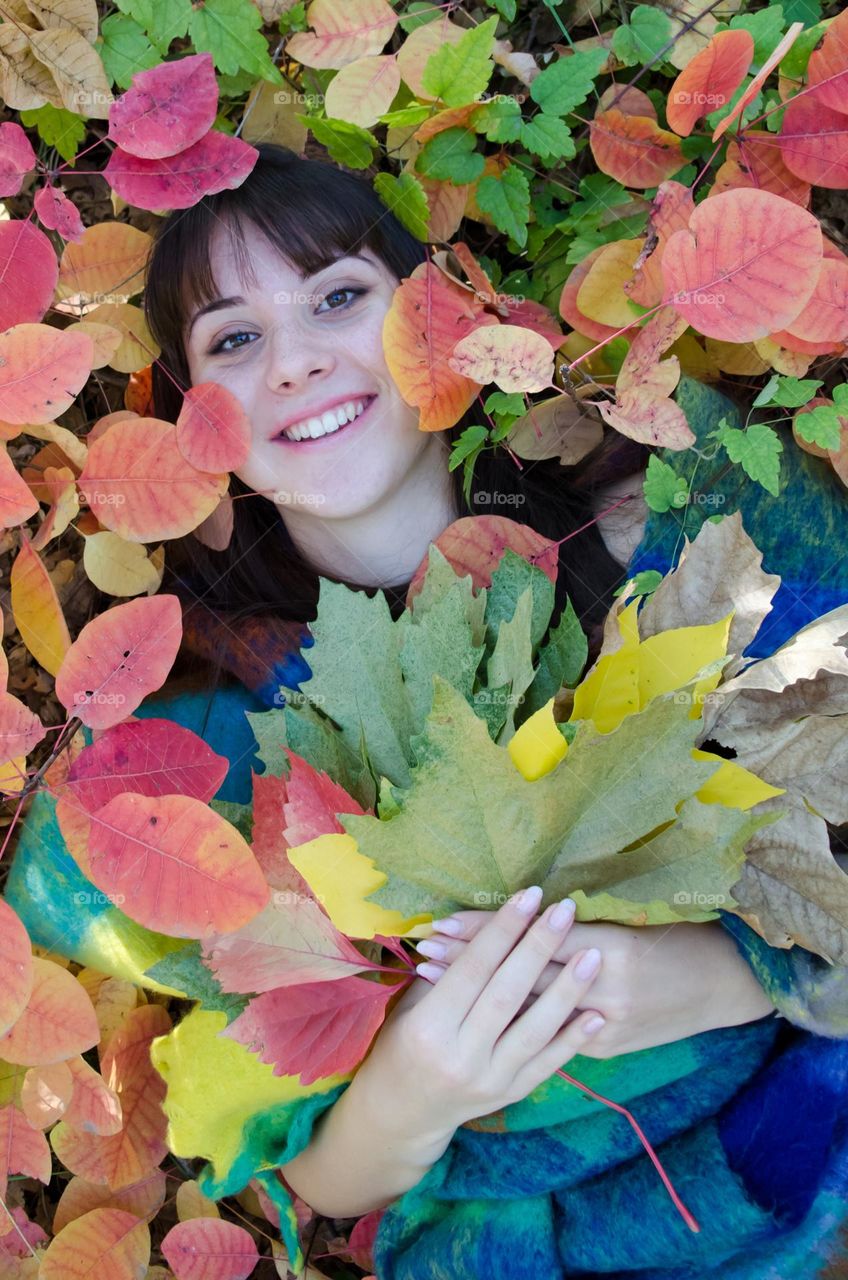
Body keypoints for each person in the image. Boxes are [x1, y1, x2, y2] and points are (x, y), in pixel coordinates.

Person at [8, 143, 848, 1278]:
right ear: (193, 429)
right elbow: (309, 1170)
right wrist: (415, 1088)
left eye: (338, 297)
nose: (296, 362)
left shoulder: (676, 505)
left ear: (441, 316)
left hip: (785, 1143)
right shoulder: (200, 739)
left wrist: (730, 969)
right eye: (234, 340)